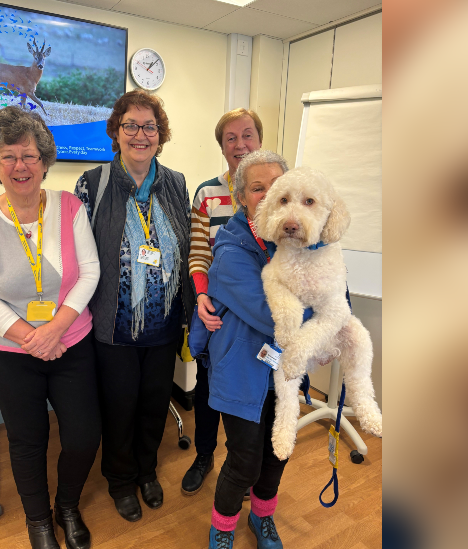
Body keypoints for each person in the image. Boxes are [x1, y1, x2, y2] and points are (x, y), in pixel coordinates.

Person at [0, 106, 101, 549]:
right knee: (27, 442)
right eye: (8, 157)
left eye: (28, 155)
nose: (20, 166)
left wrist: (53, 331)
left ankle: (66, 506)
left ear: (45, 161)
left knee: (83, 438)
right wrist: (31, 336)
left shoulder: (70, 206)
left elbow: (89, 271)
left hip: (71, 345)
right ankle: (39, 522)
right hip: (9, 354)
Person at [73, 90, 194, 522]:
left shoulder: (176, 183)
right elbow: (79, 256)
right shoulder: (93, 183)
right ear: (116, 132)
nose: (140, 135)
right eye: (131, 126)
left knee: (153, 403)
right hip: (113, 326)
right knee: (119, 407)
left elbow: (189, 248)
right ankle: (120, 480)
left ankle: (147, 471)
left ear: (160, 136)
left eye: (150, 127)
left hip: (163, 327)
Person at [204, 150, 303, 549]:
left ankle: (262, 519)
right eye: (257, 188)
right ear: (240, 195)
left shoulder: (302, 241)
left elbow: (335, 289)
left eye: (275, 187)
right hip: (241, 372)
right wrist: (320, 329)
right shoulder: (230, 252)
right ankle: (223, 528)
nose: (267, 195)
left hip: (286, 370)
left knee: (277, 453)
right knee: (244, 460)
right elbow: (270, 315)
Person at [183, 108, 264, 496]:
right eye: (230, 138)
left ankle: (241, 466)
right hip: (216, 314)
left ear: (259, 140)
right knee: (207, 391)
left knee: (252, 398)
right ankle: (203, 456)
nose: (240, 145)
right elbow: (198, 253)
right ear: (222, 146)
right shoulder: (206, 193)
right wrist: (200, 295)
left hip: (262, 317)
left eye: (247, 135)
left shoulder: (278, 189)